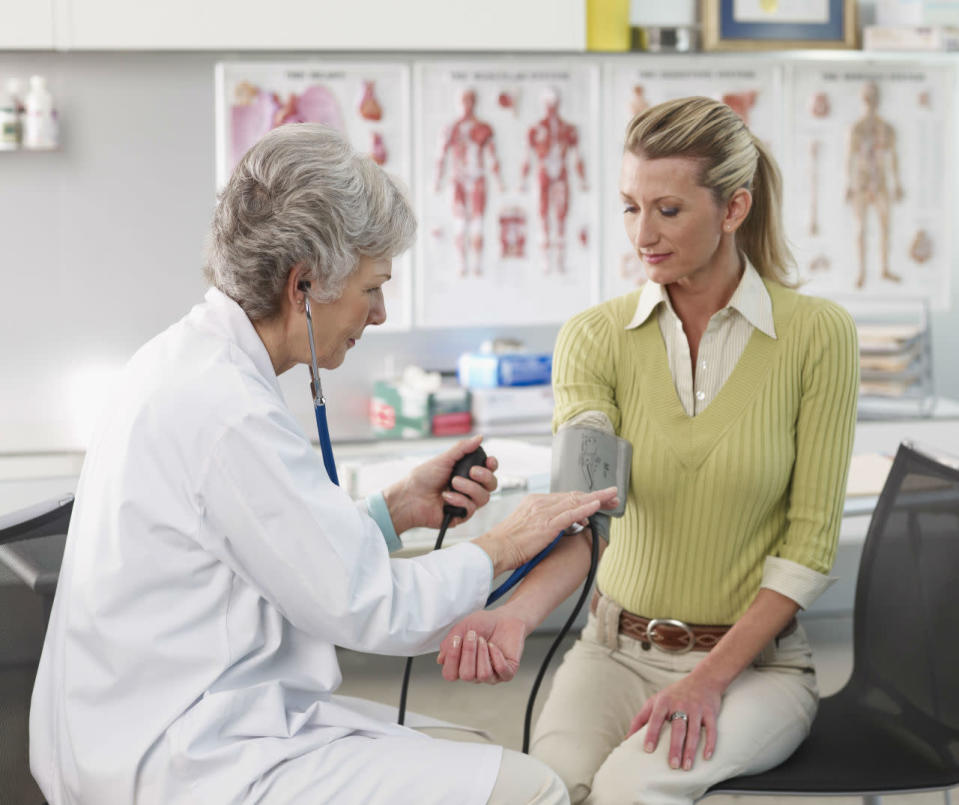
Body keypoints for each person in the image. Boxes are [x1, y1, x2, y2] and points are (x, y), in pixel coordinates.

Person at [29, 123, 617, 805]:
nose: (379, 311)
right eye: (372, 286)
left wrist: (392, 510)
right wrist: (504, 542)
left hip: (158, 722)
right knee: (530, 789)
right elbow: (371, 607)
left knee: (472, 754)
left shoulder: (183, 363)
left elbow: (270, 549)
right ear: (303, 282)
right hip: (184, 755)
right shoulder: (225, 410)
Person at [438, 96, 859, 804]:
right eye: (630, 207)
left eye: (667, 209)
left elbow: (810, 546)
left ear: (732, 209)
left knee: (630, 791)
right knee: (537, 790)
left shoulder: (817, 335)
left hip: (754, 669)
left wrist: (706, 680)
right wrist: (512, 614)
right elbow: (581, 510)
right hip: (611, 651)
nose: (642, 234)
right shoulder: (595, 336)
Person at [434, 87, 505, 277]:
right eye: (464, 101)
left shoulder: (483, 128)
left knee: (477, 223)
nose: (467, 105)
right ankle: (461, 264)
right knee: (460, 223)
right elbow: (441, 156)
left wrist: (499, 181)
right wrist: (437, 181)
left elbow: (492, 156)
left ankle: (477, 264)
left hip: (478, 178)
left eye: (470, 100)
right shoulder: (451, 128)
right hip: (458, 179)